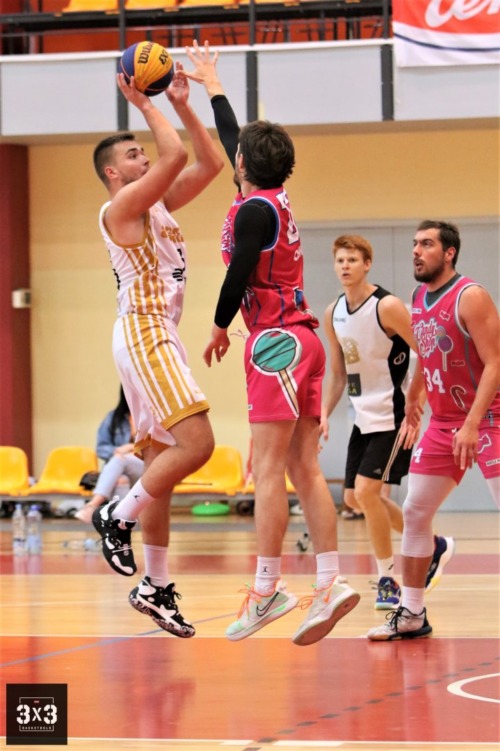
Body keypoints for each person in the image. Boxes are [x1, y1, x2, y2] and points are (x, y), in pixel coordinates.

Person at [184, 40, 360, 646]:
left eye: (237, 154)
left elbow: (237, 275)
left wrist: (217, 325)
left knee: (265, 470)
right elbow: (235, 135)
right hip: (305, 339)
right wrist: (212, 84)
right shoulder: (267, 196)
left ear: (242, 166)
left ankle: (266, 590)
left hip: (276, 343)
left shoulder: (252, 212)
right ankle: (330, 582)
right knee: (302, 467)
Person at [91, 61, 224, 638]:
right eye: (133, 155)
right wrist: (147, 103)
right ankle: (116, 516)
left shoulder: (158, 205)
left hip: (158, 333)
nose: (144, 157)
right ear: (112, 173)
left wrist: (183, 104)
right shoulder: (119, 209)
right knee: (199, 444)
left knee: (160, 464)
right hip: (144, 330)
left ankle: (156, 585)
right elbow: (174, 156)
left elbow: (210, 163)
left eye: (143, 151)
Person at [368, 220, 499, 640]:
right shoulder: (418, 297)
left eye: (426, 244)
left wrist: (473, 423)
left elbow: (495, 363)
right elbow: (425, 351)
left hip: (490, 418)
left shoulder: (471, 296)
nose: (416, 251)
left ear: (449, 253)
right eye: (414, 243)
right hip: (443, 423)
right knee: (414, 511)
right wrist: (414, 395)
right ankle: (411, 613)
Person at [322, 234, 455, 609]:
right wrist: (323, 414)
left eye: (352, 260)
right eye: (340, 260)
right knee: (353, 499)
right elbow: (338, 374)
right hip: (361, 416)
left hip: (392, 413)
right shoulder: (333, 313)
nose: (345, 266)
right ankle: (434, 545)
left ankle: (387, 579)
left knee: (367, 493)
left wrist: (417, 398)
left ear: (367, 264)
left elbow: (427, 350)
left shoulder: (387, 306)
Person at [75, 387, 144, 524]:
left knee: (120, 460)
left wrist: (132, 448)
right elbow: (101, 448)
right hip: (121, 471)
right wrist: (117, 450)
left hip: (146, 468)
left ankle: (93, 505)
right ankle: (123, 521)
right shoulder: (114, 418)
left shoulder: (151, 416)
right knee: (121, 479)